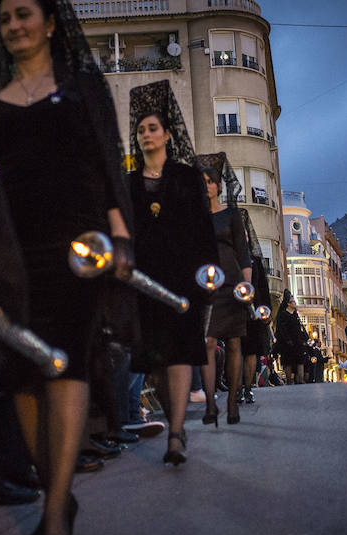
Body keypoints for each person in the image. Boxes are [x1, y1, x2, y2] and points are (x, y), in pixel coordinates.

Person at [0, 0, 134, 535]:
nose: (14, 25)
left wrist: (118, 234)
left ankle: (55, 513)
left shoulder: (83, 88)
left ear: (48, 21)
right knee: (21, 376)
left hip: (76, 249)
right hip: (12, 255)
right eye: (5, 19)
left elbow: (106, 164)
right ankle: (54, 495)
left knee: (66, 362)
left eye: (24, 13)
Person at [128, 80, 219, 465]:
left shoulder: (185, 177)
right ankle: (172, 417)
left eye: (153, 128)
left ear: (167, 134)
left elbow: (202, 227)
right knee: (156, 361)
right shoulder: (129, 182)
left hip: (183, 277)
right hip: (145, 281)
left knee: (180, 351)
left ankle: (176, 434)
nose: (147, 134)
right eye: (141, 129)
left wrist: (208, 273)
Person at [195, 154, 252, 427]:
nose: (206, 185)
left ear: (219, 186)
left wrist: (247, 284)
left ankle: (231, 402)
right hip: (205, 284)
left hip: (232, 283)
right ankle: (209, 403)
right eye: (202, 182)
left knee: (233, 343)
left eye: (210, 181)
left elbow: (243, 252)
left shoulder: (231, 215)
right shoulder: (194, 218)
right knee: (207, 341)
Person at [238, 208, 274, 403]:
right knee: (235, 348)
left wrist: (266, 310)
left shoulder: (256, 261)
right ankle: (236, 387)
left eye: (245, 232)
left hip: (254, 310)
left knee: (251, 350)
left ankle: (248, 387)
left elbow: (264, 288)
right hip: (235, 308)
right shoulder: (230, 258)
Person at [275, 291, 309, 384]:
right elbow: (282, 329)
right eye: (293, 302)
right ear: (288, 304)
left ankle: (300, 379)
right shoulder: (283, 315)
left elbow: (299, 328)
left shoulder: (295, 315)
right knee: (288, 362)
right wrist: (288, 340)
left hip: (298, 342)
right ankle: (289, 380)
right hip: (287, 343)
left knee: (300, 361)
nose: (295, 303)